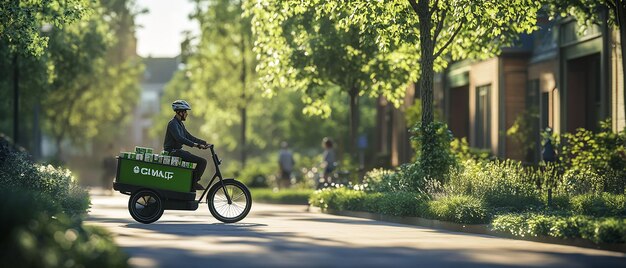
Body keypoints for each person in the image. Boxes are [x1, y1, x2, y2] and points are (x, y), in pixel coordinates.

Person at [163, 100, 211, 191]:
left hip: (177, 152)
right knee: (202, 162)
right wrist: (196, 145)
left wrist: (204, 143)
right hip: (172, 152)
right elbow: (179, 138)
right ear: (179, 112)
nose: (187, 114)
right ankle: (193, 183)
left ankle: (191, 183)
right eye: (185, 111)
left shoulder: (180, 124)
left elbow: (189, 136)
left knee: (194, 158)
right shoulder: (173, 124)